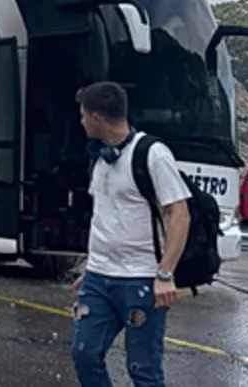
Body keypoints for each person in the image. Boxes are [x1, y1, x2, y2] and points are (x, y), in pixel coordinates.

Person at [71, 81, 191, 387]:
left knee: (143, 369)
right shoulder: (100, 158)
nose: (81, 121)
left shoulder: (152, 154)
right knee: (84, 354)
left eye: (83, 115)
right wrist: (89, 266)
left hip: (141, 279)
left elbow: (179, 213)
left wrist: (165, 273)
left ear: (96, 118)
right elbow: (106, 216)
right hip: (98, 277)